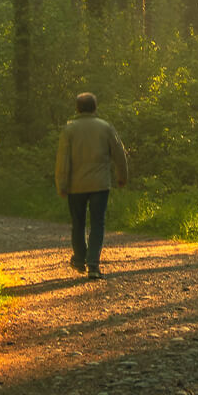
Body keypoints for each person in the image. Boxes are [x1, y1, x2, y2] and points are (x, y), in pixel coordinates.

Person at [54, 92, 129, 279]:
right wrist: (122, 176)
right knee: (97, 223)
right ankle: (93, 265)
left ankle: (80, 259)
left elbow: (63, 160)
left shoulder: (69, 129)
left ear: (77, 108)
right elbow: (119, 154)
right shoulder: (105, 127)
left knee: (78, 223)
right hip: (100, 184)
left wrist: (61, 184)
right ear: (95, 108)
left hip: (75, 186)